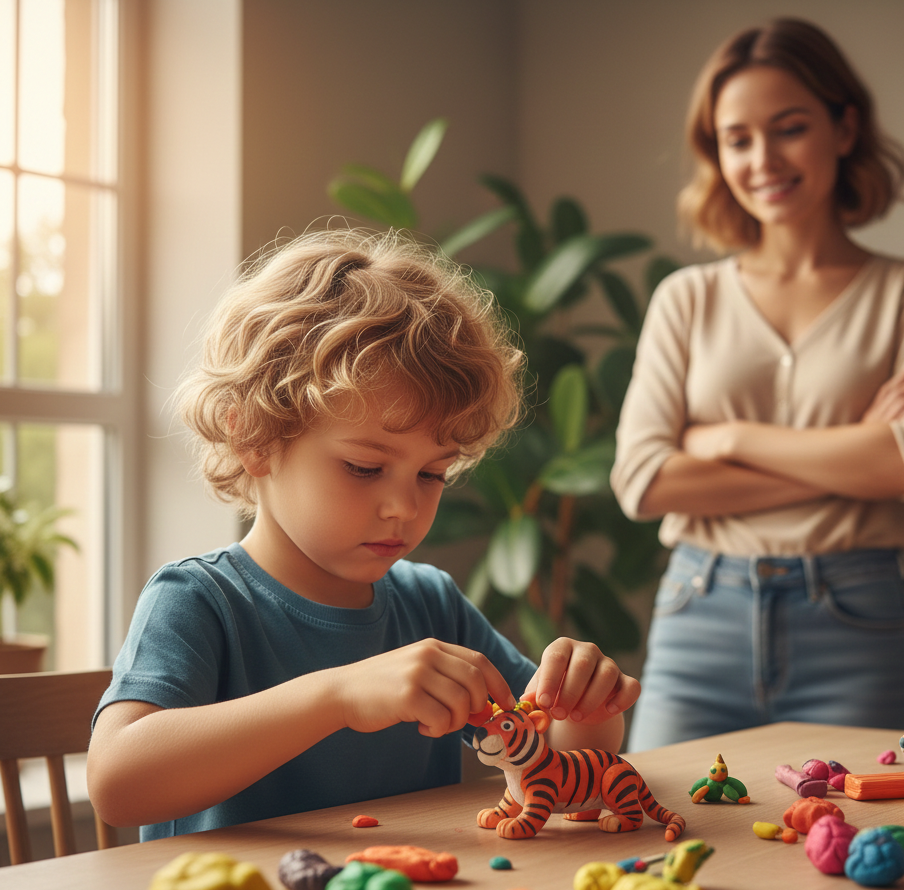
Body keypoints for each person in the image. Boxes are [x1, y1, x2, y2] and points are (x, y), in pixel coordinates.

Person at [87, 230, 639, 839]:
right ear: (253, 439)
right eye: (364, 468)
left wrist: (584, 707)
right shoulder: (199, 601)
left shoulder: (430, 604)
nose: (403, 506)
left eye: (433, 473)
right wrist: (339, 696)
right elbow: (118, 783)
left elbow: (550, 759)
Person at [611, 18, 904, 750]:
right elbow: (644, 481)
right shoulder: (687, 297)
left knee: (870, 845)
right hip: (697, 616)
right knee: (651, 841)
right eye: (736, 139)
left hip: (855, 619)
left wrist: (731, 440)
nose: (762, 159)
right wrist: (855, 456)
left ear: (845, 127)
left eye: (789, 128)